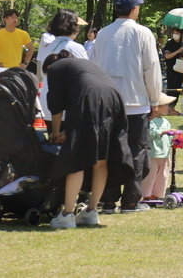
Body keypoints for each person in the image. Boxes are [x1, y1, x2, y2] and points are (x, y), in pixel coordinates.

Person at [89, 0, 162, 213]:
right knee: (137, 151)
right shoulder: (142, 33)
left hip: (107, 103)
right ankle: (131, 200)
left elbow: (93, 66)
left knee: (110, 152)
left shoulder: (102, 34)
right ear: (134, 9)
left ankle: (108, 200)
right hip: (136, 101)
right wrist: (155, 99)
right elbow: (151, 68)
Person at [44, 49, 132, 230]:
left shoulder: (55, 68)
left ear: (49, 67)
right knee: (101, 160)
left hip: (90, 100)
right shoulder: (82, 66)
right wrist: (68, 132)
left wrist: (54, 132)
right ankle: (91, 212)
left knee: (77, 159)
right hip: (113, 99)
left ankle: (67, 215)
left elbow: (56, 105)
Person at [35, 8, 89, 119]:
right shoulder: (76, 48)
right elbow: (87, 76)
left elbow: (41, 70)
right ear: (72, 26)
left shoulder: (46, 46)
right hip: (68, 106)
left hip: (46, 103)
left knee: (51, 134)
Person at [141, 92, 177, 201]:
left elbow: (169, 138)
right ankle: (147, 195)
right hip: (153, 154)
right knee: (150, 176)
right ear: (156, 107)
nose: (168, 107)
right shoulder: (149, 121)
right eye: (166, 105)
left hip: (165, 154)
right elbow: (150, 134)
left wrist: (174, 140)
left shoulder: (166, 121)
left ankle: (158, 195)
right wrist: (164, 132)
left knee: (163, 175)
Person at [162, 28, 183, 107]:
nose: (175, 35)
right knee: (171, 89)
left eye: (177, 33)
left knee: (177, 89)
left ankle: (173, 107)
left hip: (180, 70)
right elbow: (167, 56)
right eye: (174, 33)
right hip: (171, 70)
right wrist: (178, 51)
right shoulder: (169, 44)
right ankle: (169, 106)